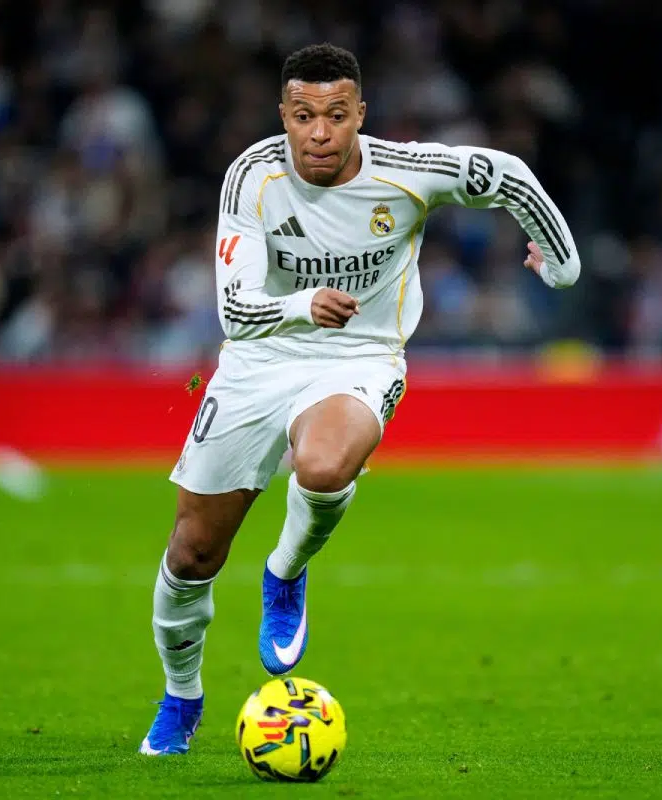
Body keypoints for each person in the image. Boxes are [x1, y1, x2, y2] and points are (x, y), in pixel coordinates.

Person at [140, 43, 581, 756]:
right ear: (284, 115)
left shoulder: (409, 173)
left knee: (321, 466)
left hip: (360, 356)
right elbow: (234, 310)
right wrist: (303, 303)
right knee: (192, 552)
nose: (321, 133)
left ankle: (284, 572)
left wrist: (561, 264)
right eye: (305, 116)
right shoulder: (251, 178)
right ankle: (181, 696)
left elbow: (510, 176)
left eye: (337, 116)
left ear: (360, 117)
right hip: (261, 356)